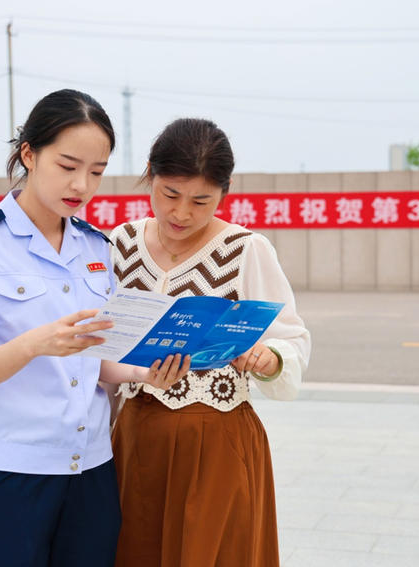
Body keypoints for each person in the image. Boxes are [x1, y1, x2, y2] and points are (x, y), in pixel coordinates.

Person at [0, 89, 188, 567]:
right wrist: (36, 343)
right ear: (29, 154)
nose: (82, 185)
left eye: (96, 171)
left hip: (90, 470)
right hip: (9, 474)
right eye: (67, 165)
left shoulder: (95, 247)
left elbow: (95, 356)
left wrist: (142, 374)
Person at [110, 117, 311, 566]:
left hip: (216, 441)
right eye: (170, 195)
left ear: (225, 191)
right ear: (150, 173)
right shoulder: (119, 244)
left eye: (201, 200)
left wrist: (269, 358)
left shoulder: (245, 249)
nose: (181, 213)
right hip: (134, 438)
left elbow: (292, 338)